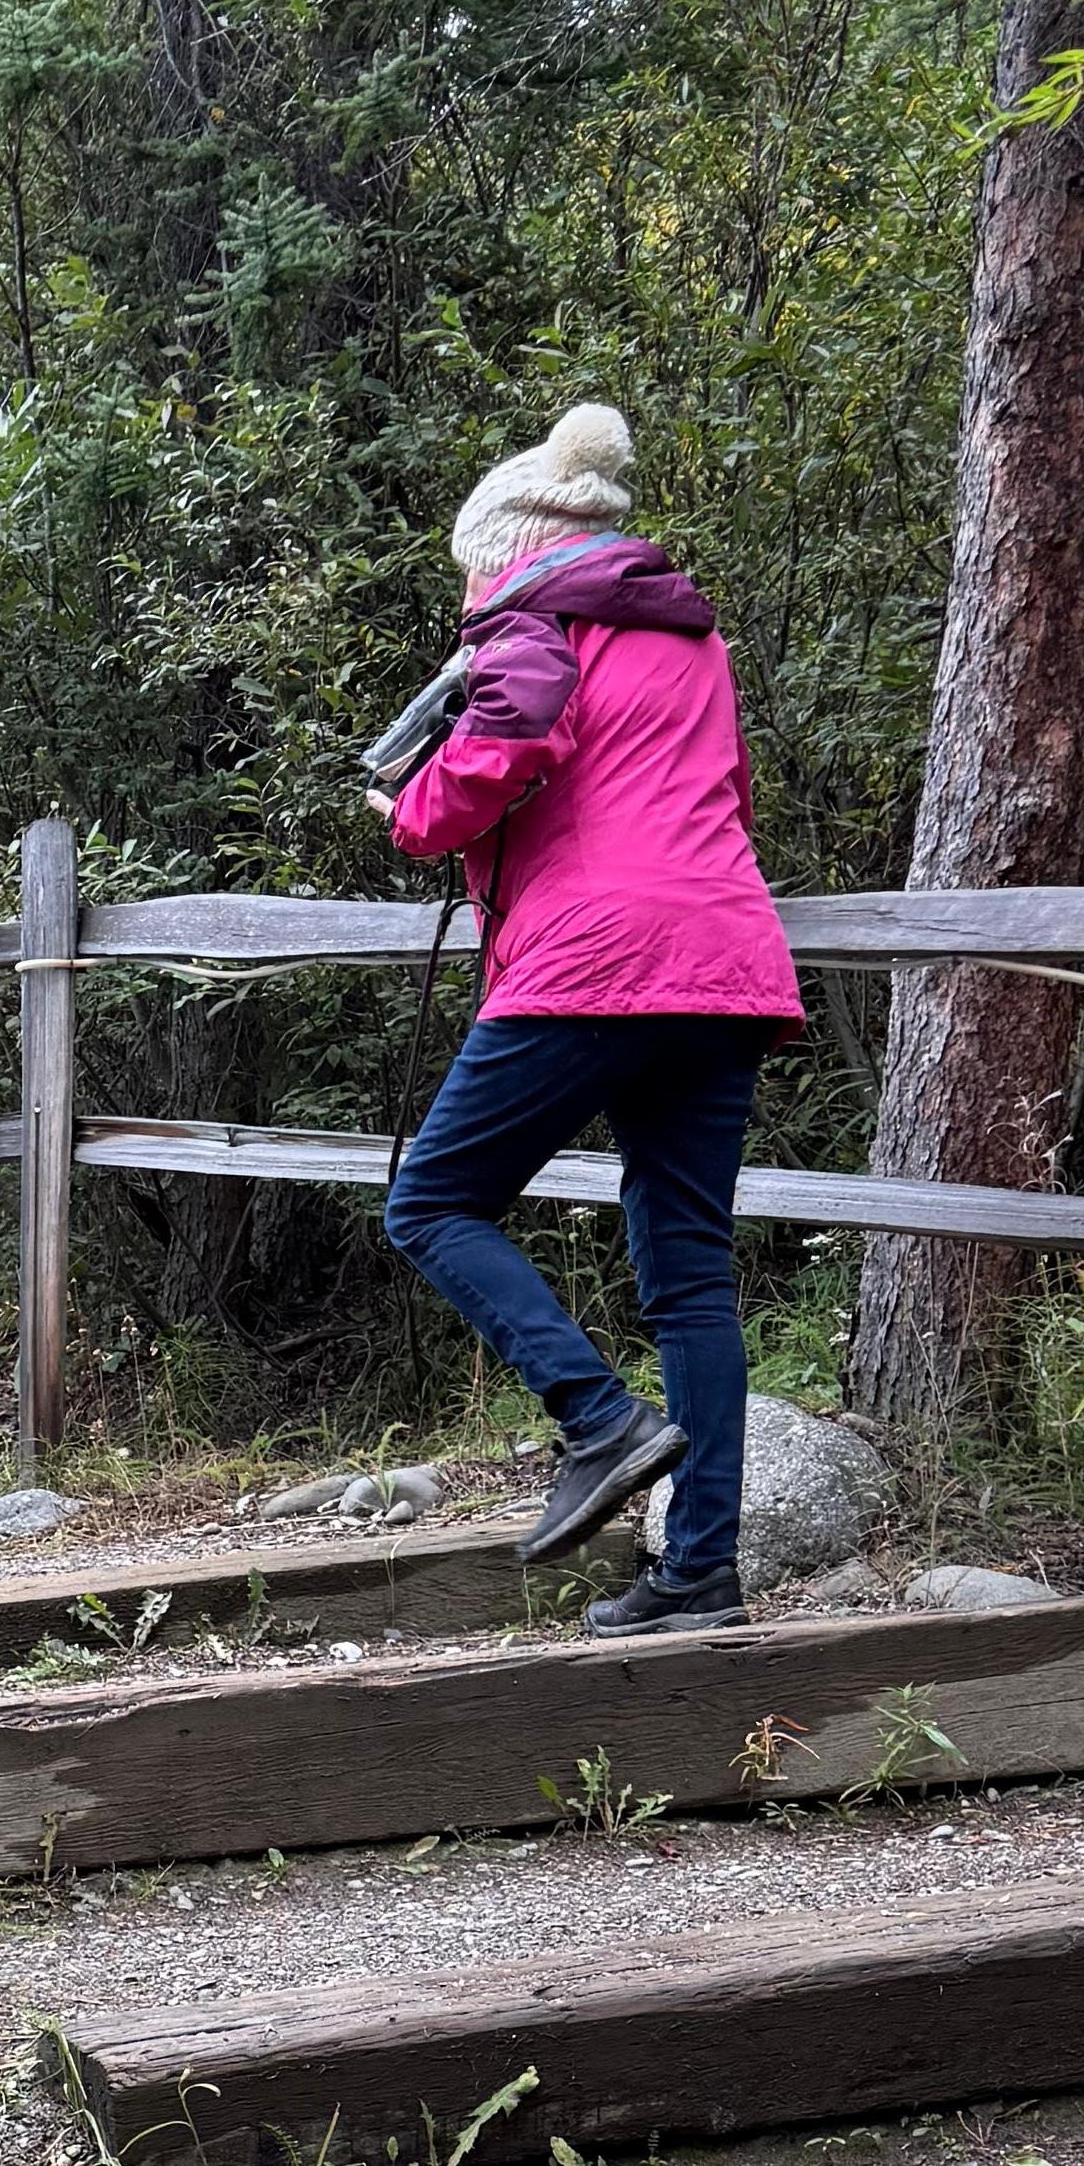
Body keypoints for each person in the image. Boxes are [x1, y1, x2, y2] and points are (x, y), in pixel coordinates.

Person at [373, 398, 805, 1631]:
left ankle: (597, 1418)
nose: (467, 592)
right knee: (692, 1278)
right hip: (726, 961)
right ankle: (701, 1571)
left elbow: (513, 735)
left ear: (506, 550)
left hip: (597, 962)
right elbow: (716, 792)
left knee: (431, 1202)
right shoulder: (692, 638)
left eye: (469, 570)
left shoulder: (530, 617)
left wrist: (414, 813)